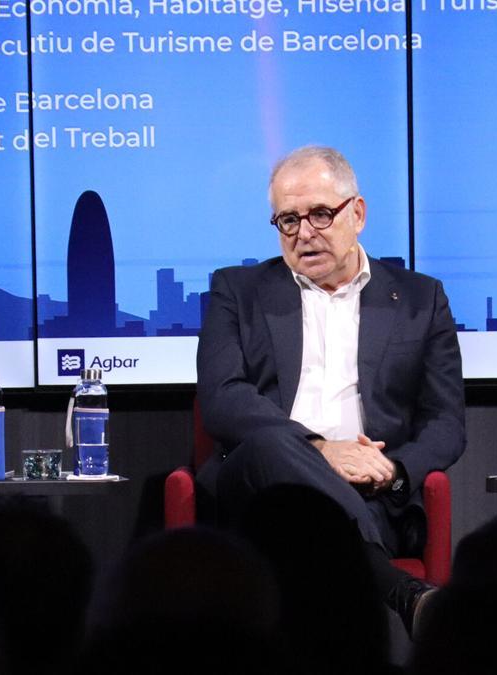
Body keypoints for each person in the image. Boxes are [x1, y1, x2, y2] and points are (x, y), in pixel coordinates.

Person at [196, 145, 465, 633]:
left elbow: (446, 422)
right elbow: (223, 399)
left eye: (320, 214)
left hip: (371, 494)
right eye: (288, 221)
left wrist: (393, 472)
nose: (304, 234)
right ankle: (404, 595)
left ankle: (363, 556)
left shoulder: (420, 299)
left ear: (356, 213)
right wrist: (319, 449)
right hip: (258, 488)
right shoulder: (236, 290)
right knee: (269, 441)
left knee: (302, 528)